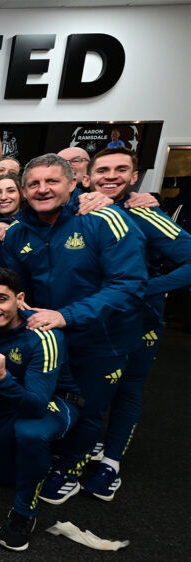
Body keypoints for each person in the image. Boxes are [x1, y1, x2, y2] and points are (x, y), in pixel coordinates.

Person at [0, 153, 147, 506]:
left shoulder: (104, 219)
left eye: (52, 181)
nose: (42, 189)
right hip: (48, 336)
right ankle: (55, 453)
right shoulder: (18, 234)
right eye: (33, 183)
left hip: (102, 337)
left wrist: (66, 316)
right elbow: (15, 289)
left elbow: (129, 284)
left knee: (91, 407)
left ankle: (71, 469)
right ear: (22, 190)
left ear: (73, 184)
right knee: (50, 400)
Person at [80, 148, 191, 501]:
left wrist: (142, 290)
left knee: (127, 389)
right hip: (95, 319)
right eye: (103, 170)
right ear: (88, 177)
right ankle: (88, 446)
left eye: (120, 170)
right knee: (89, 388)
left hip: (139, 321)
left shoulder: (145, 212)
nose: (110, 177)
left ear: (134, 177)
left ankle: (110, 462)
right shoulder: (81, 210)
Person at [0, 267, 82, 552]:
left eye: (1, 299)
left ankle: (24, 513)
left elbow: (36, 404)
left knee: (30, 432)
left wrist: (0, 377)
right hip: (10, 400)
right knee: (0, 475)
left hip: (54, 403)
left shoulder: (42, 334)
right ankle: (38, 459)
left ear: (19, 299)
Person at [0, 174, 24, 245]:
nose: (3, 197)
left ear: (22, 194)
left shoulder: (35, 220)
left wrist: (11, 223)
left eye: (11, 191)